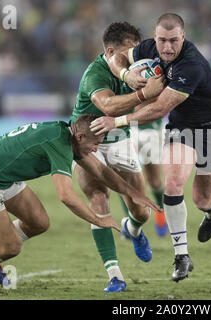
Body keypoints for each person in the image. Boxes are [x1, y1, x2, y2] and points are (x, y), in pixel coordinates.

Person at [90, 13, 211, 282]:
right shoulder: (148, 48)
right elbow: (116, 57)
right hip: (182, 129)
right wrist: (126, 75)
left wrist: (117, 120)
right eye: (162, 40)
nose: (167, 48)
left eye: (173, 41)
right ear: (155, 38)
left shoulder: (191, 65)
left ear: (184, 37)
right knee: (172, 183)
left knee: (202, 199)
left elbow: (160, 107)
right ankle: (182, 256)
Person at [0, 114, 159, 292]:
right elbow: (66, 196)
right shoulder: (60, 144)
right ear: (80, 137)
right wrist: (98, 219)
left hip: (3, 177)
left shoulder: (67, 137)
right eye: (95, 143)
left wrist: (133, 193)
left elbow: (101, 171)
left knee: (39, 223)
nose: (97, 148)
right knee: (12, 246)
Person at [70, 22, 165, 292]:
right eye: (126, 53)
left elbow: (150, 105)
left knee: (141, 211)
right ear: (111, 51)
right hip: (87, 145)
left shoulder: (141, 67)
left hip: (121, 141)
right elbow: (107, 105)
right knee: (98, 200)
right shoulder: (94, 74)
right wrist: (144, 93)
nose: (131, 59)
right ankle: (115, 276)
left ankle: (132, 229)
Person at [121, 117, 168, 237]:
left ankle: (160, 209)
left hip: (151, 127)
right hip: (126, 126)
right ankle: (131, 221)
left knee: (155, 182)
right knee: (123, 176)